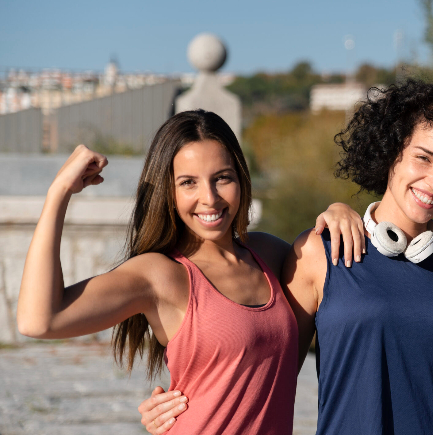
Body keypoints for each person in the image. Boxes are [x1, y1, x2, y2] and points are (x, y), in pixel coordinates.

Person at [139, 78, 433, 434]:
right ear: (392, 150)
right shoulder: (320, 253)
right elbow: (264, 373)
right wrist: (178, 407)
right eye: (423, 158)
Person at [16, 109, 365, 435]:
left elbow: (335, 287)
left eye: (222, 178)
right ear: (168, 191)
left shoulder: (270, 254)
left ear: (241, 179)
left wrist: (338, 209)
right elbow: (38, 320)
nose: (209, 198)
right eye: (188, 183)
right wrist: (59, 192)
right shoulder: (160, 275)